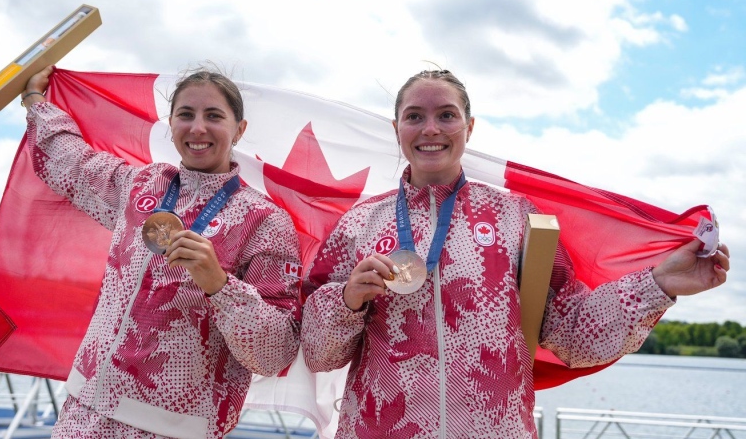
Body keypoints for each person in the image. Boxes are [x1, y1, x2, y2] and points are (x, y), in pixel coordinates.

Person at [300, 69, 730, 438]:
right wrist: (347, 300)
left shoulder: (516, 218)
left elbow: (573, 334)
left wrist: (658, 284)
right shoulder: (360, 224)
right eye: (415, 116)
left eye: (446, 115)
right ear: (397, 128)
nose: (430, 128)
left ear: (469, 127)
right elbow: (319, 354)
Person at [21, 65, 302, 438]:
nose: (197, 128)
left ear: (240, 129)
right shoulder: (143, 185)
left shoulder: (264, 221)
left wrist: (219, 285)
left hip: (170, 430)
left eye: (214, 116)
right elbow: (72, 164)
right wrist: (35, 101)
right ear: (170, 124)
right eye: (185, 114)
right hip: (82, 414)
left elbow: (275, 352)